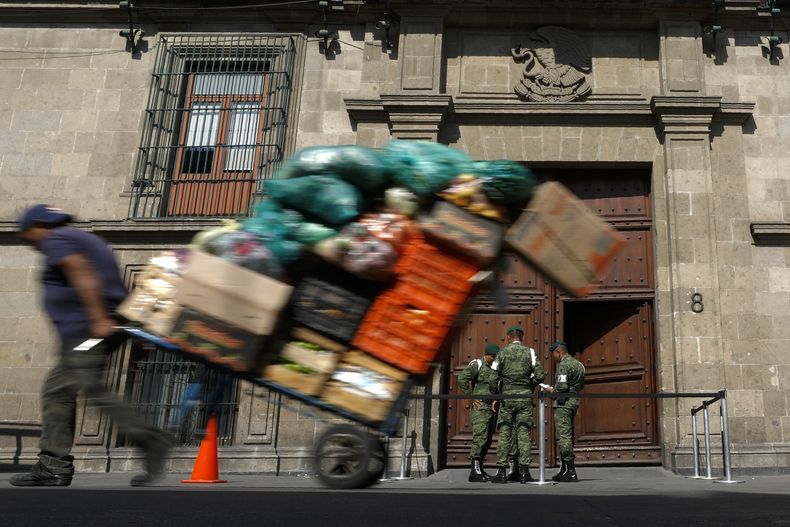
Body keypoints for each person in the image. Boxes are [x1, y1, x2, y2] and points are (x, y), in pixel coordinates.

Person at [10, 204, 171, 487]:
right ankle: (54, 464)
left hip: (89, 332)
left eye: (27, 234)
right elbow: (115, 286)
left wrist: (98, 318)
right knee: (59, 388)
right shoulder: (82, 238)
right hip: (95, 329)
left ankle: (149, 438)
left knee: (86, 387)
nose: (30, 242)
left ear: (38, 225)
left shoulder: (56, 239)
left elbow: (81, 272)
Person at [489, 325, 545, 484]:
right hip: (525, 397)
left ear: (508, 337)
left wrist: (496, 395)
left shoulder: (501, 353)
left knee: (505, 433)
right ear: (522, 337)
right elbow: (540, 375)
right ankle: (524, 472)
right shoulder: (531, 352)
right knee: (524, 433)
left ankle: (501, 472)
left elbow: (493, 378)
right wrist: (529, 385)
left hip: (507, 397)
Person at [542, 339, 585, 483]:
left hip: (563, 403)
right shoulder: (579, 364)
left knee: (563, 436)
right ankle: (564, 469)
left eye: (553, 354)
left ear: (558, 352)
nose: (553, 358)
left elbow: (561, 387)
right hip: (574, 401)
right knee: (567, 433)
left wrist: (550, 390)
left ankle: (570, 471)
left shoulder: (564, 365)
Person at [458, 343, 499, 482]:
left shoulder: (494, 367)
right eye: (493, 357)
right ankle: (474, 472)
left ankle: (480, 469)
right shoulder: (477, 364)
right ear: (487, 355)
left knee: (487, 440)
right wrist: (470, 396)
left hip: (490, 407)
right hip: (480, 407)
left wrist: (495, 399)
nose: (494, 359)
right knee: (480, 437)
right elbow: (462, 378)